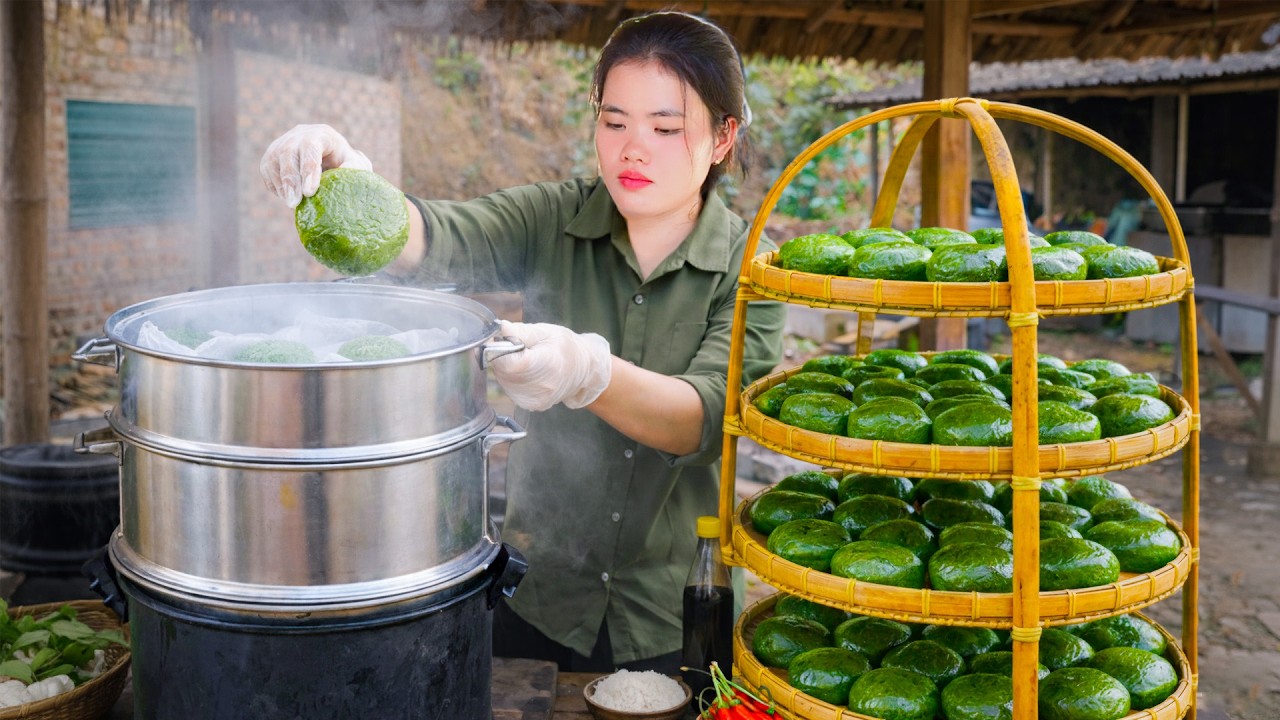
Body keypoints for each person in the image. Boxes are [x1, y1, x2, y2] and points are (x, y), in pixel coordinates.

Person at [259, 11, 785, 673]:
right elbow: (442, 240)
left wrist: (586, 373)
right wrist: (353, 182)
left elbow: (705, 420)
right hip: (537, 597)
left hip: (675, 614)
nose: (632, 148)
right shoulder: (551, 217)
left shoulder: (754, 270)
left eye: (666, 128)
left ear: (721, 138)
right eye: (614, 122)